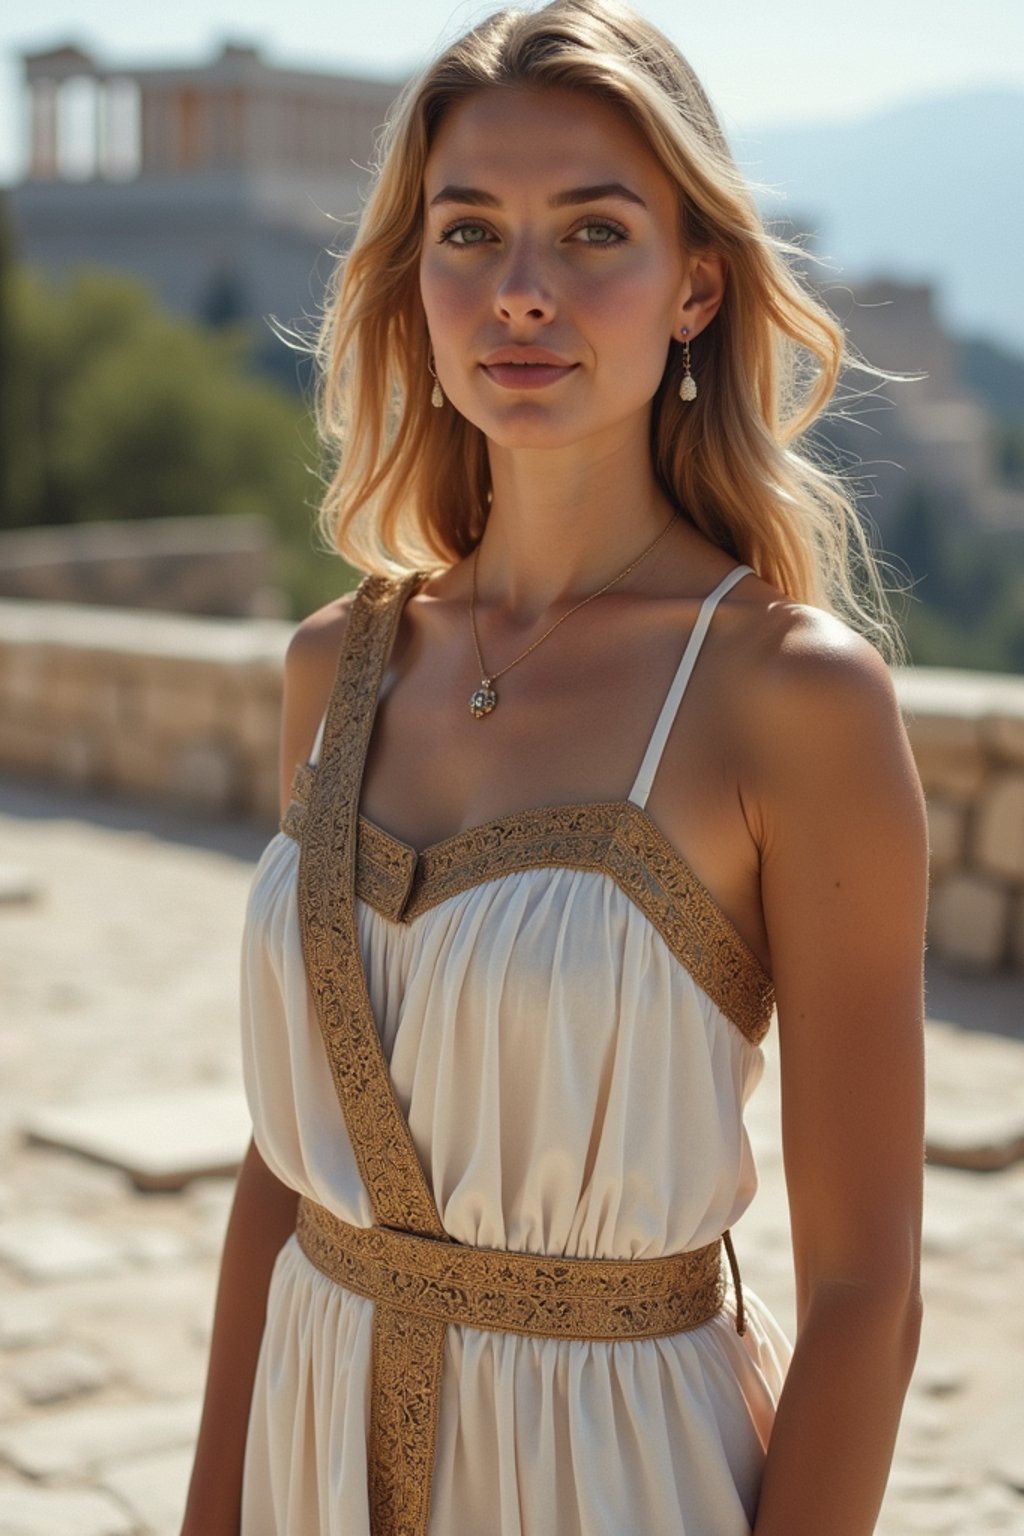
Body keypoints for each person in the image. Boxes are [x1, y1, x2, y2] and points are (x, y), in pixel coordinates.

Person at [180, 2, 927, 1533]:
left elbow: (865, 1292)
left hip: (609, 1477)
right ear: (415, 284)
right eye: (470, 234)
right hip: (308, 1456)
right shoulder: (334, 667)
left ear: (695, 287)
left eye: (593, 233)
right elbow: (290, 1167)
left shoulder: (791, 698)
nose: (520, 292)